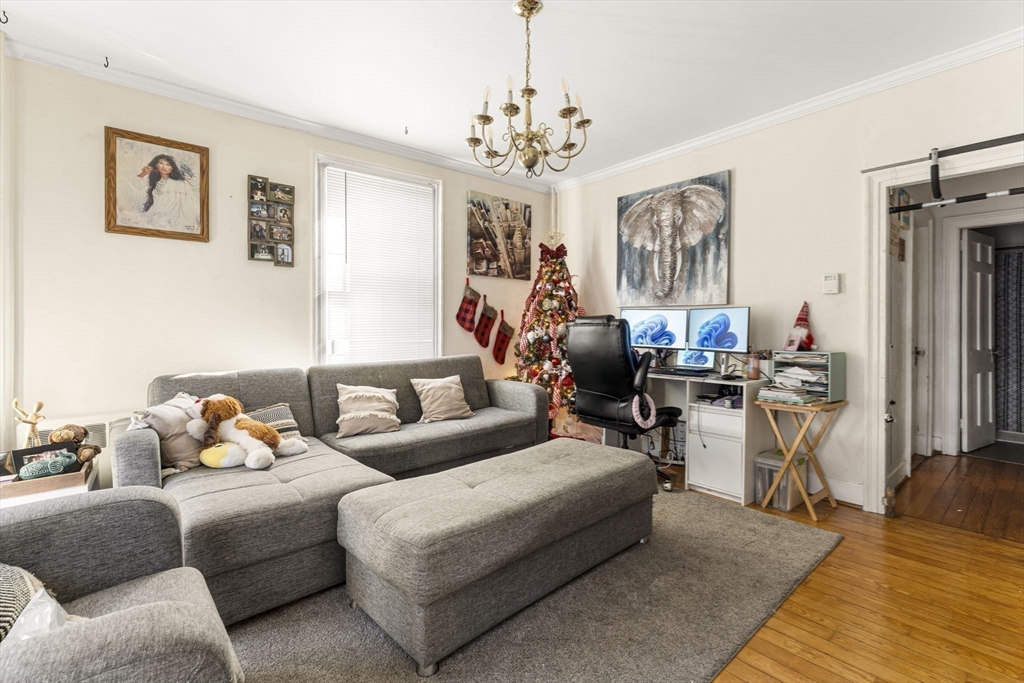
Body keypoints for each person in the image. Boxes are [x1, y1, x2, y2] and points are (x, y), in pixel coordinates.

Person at [117, 153, 200, 232]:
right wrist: (142, 174)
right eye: (161, 163)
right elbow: (142, 197)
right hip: (154, 215)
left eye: (168, 164)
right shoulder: (153, 183)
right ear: (156, 165)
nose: (164, 167)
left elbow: (191, 205)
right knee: (122, 181)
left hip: (173, 218)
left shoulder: (181, 184)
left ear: (172, 168)